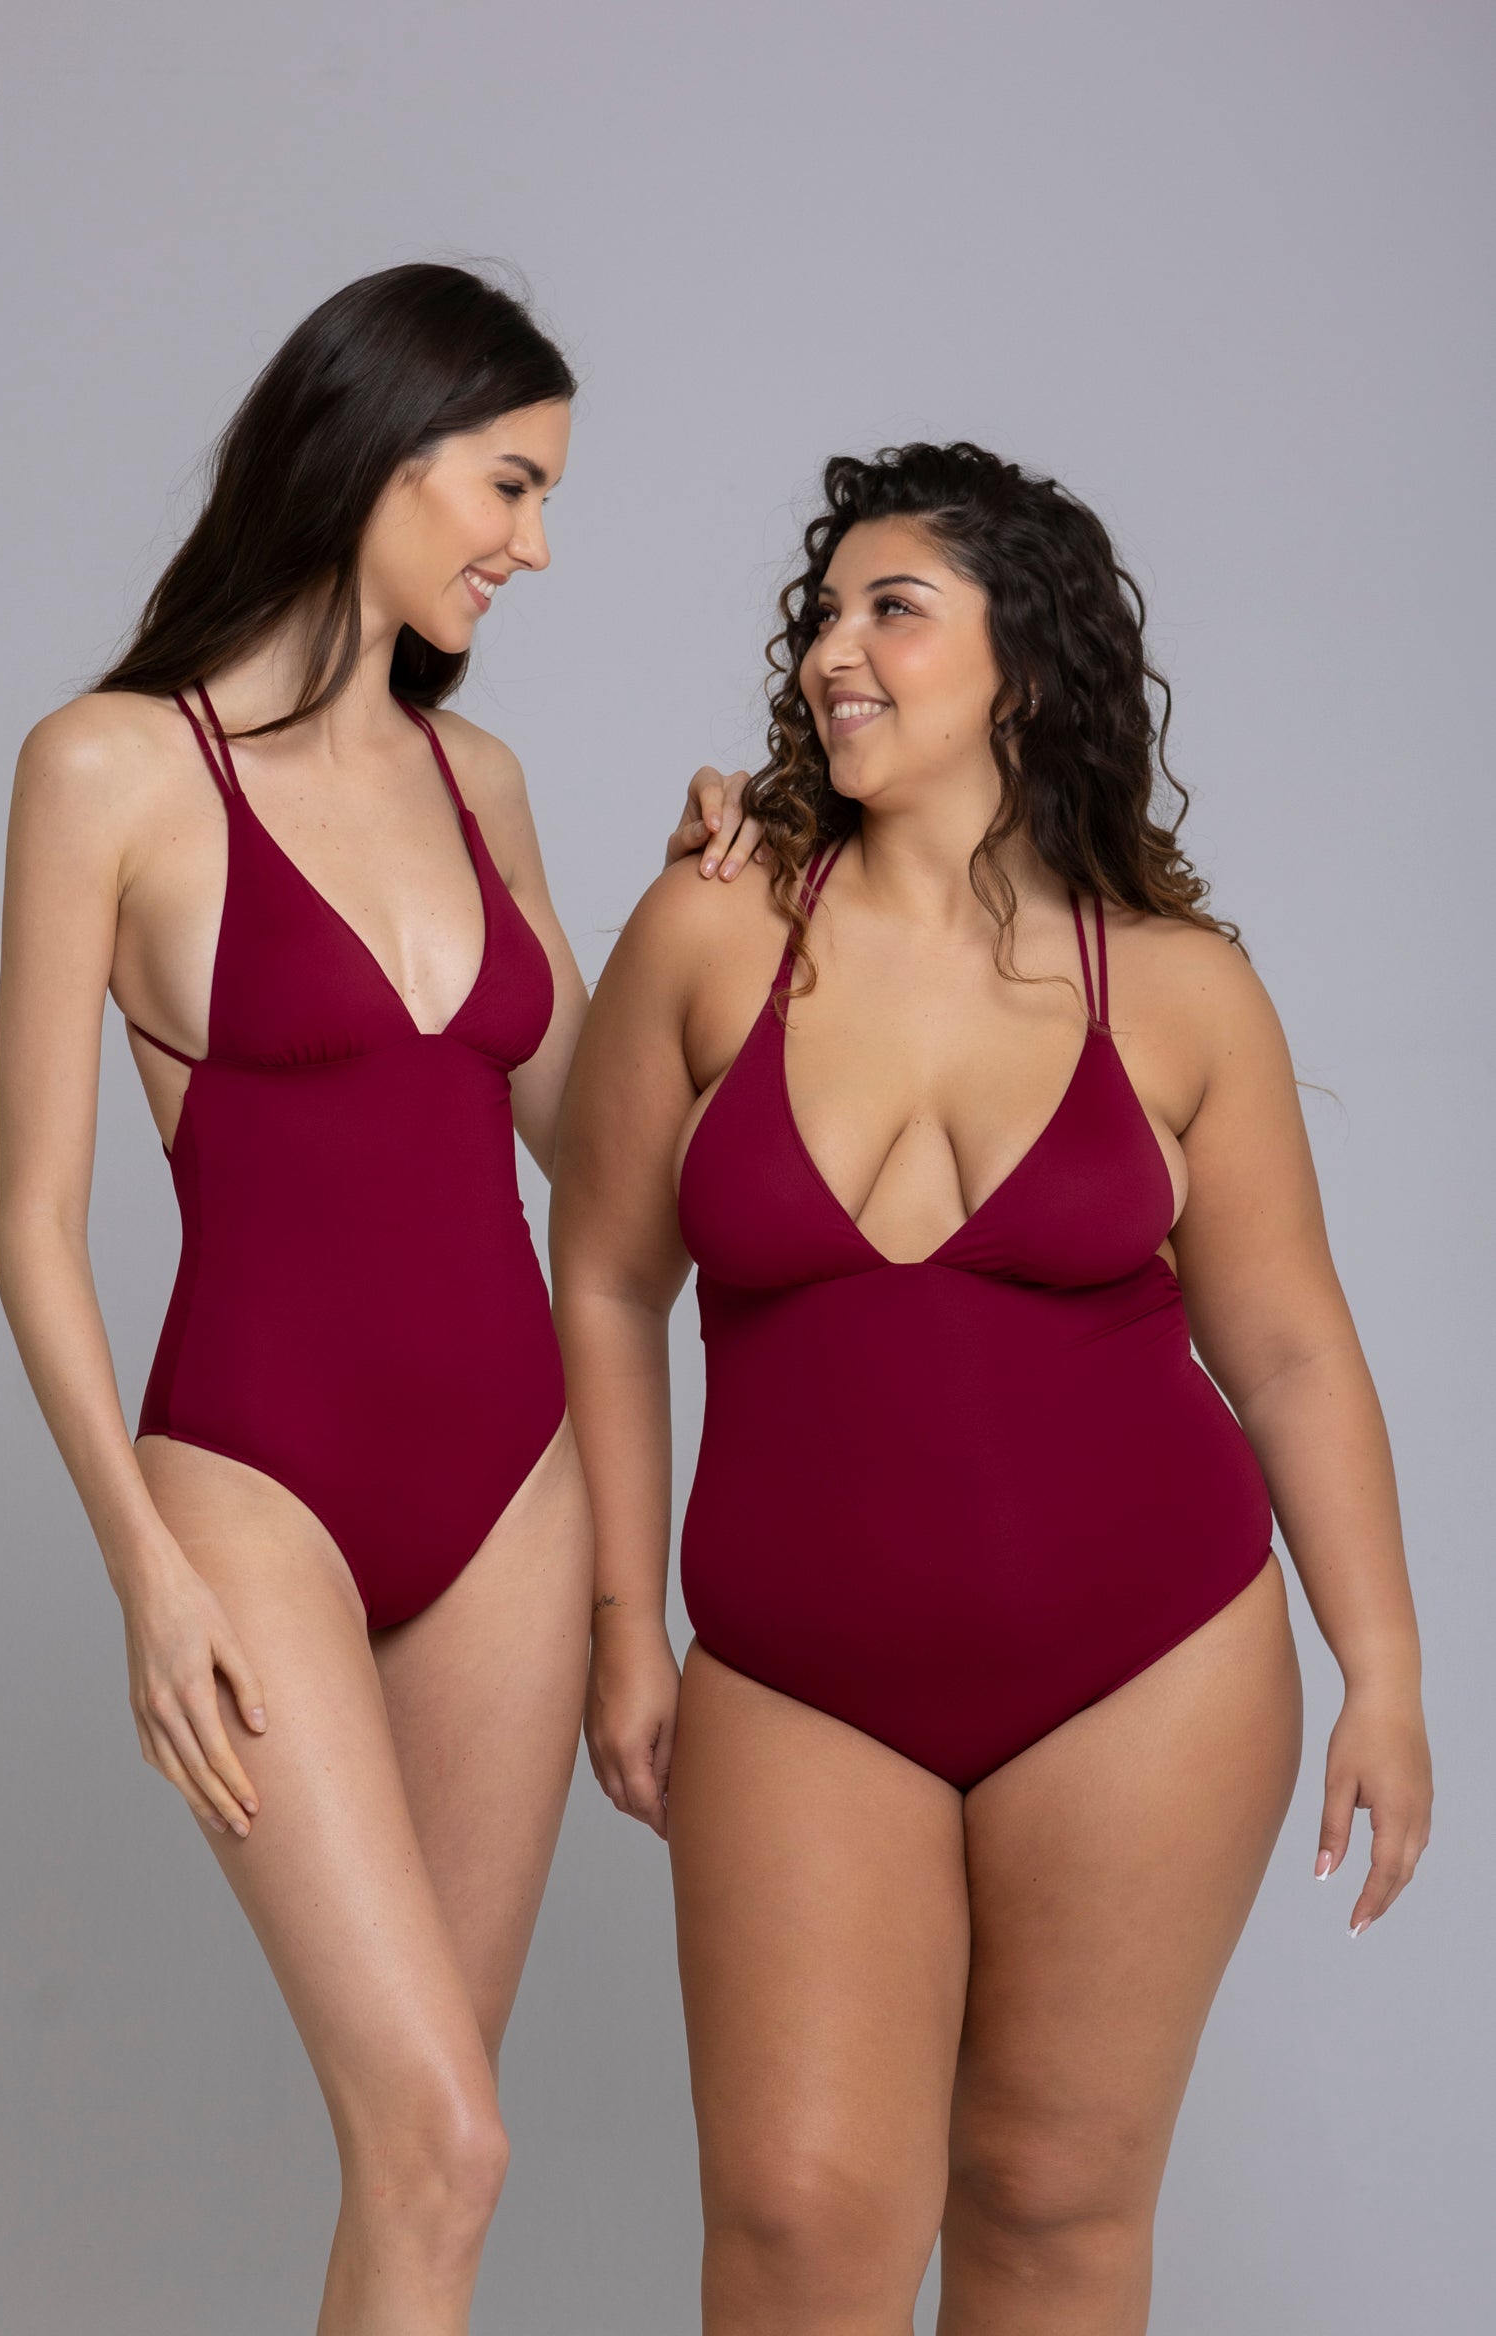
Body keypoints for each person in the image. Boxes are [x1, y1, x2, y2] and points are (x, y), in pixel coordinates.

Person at [552, 440, 1433, 2333]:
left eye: (894, 610)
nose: (831, 652)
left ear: (1022, 664)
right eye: (823, 614)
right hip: (797, 1680)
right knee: (794, 2225)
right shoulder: (712, 930)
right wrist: (623, 1626)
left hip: (1150, 1672)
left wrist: (1384, 1668)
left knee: (1051, 2200)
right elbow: (609, 1280)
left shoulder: (1177, 989)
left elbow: (1288, 1349)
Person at [0, 260, 748, 2336]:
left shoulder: (475, 779)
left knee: (431, 2164)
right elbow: (33, 1225)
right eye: (510, 484)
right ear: (381, 448)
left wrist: (701, 905)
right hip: (253, 1485)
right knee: (447, 2138)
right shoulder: (107, 769)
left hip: (514, 1491)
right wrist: (145, 1572)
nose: (534, 545)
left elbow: (605, 1153)